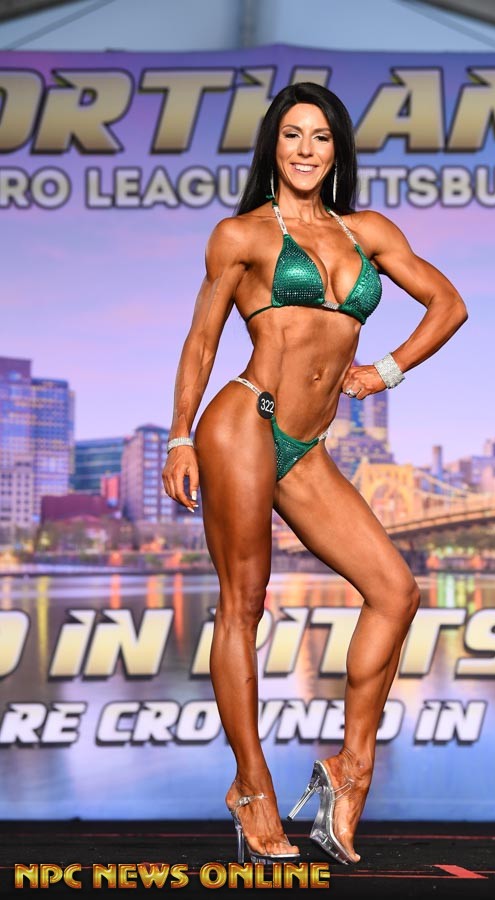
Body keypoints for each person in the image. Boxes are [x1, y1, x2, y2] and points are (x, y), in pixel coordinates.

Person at [162, 82, 467, 866]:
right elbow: (202, 341)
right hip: (243, 421)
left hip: (308, 443)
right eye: (292, 134)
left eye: (321, 136)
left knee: (395, 591)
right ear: (274, 145)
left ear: (337, 151)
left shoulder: (369, 232)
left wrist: (384, 371)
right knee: (244, 606)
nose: (306, 149)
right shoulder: (240, 235)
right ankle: (252, 785)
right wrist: (178, 437)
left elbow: (448, 304)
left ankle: (350, 769)